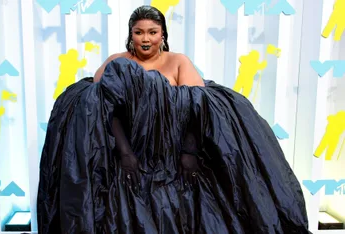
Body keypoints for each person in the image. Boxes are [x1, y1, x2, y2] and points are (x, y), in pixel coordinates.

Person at [37, 5, 311, 234]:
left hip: (174, 157)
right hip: (129, 157)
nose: (145, 39)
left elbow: (198, 108)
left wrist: (189, 152)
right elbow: (99, 107)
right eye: (139, 32)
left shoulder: (178, 62)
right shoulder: (116, 61)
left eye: (152, 32)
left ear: (163, 35)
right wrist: (124, 153)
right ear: (130, 35)